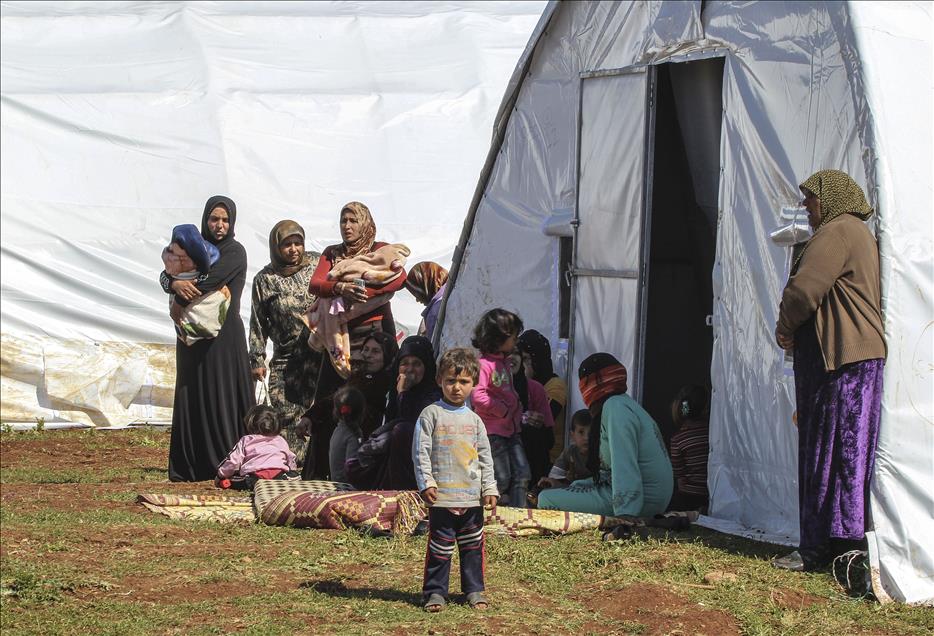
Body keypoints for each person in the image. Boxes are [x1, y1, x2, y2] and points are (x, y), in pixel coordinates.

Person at [773, 170, 886, 572]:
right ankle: (847, 542)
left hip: (839, 362)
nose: (806, 206)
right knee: (850, 455)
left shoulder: (837, 231)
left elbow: (805, 290)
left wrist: (784, 329)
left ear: (832, 198)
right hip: (857, 360)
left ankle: (818, 547)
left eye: (811, 198)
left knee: (826, 453)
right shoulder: (856, 233)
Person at [160, 195, 255, 482]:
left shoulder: (235, 252)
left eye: (225, 219)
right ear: (205, 220)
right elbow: (166, 272)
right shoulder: (193, 248)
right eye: (214, 219)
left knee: (221, 395)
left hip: (224, 338)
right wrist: (173, 282)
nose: (220, 225)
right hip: (191, 335)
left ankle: (226, 459)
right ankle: (193, 463)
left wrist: (177, 290)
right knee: (193, 392)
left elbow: (210, 280)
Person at [413, 347, 498, 612]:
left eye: (463, 382)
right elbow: (420, 452)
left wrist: (489, 488)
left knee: (473, 547)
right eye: (451, 380)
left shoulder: (475, 421)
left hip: (471, 498)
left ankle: (474, 590)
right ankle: (435, 593)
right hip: (442, 498)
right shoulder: (431, 415)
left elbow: (485, 456)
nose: (456, 388)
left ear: (473, 383)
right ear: (439, 380)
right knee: (440, 548)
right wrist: (426, 482)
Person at [538, 353, 673, 517]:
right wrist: (565, 486)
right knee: (551, 494)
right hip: (650, 499)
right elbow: (609, 475)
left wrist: (626, 515)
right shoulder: (623, 403)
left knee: (546, 499)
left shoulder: (615, 408)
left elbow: (625, 466)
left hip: (642, 502)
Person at [248, 220, 322, 467]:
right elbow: (258, 321)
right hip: (286, 358)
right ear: (276, 247)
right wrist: (257, 358)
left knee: (318, 410)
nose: (293, 249)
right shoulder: (265, 279)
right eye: (287, 244)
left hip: (319, 354)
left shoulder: (317, 263)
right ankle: (291, 467)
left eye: (297, 243)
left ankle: (317, 466)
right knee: (286, 412)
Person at [301, 331, 398, 480]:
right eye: (365, 349)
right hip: (348, 435)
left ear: (388, 356)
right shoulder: (357, 377)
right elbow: (335, 399)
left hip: (371, 440)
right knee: (322, 426)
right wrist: (309, 417)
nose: (368, 355)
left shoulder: (391, 383)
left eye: (376, 351)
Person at [470, 308, 530, 507]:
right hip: (493, 432)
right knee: (500, 477)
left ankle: (519, 513)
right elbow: (478, 396)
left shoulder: (504, 364)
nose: (516, 341)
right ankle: (478, 508)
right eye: (513, 337)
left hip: (511, 429)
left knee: (522, 473)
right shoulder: (484, 365)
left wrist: (516, 408)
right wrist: (502, 410)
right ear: (498, 338)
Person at [215, 405, 297, 490]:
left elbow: (233, 461)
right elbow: (291, 458)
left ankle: (228, 483)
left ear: (251, 424)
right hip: (279, 478)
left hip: (254, 478)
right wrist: (292, 471)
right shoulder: (281, 440)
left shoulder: (246, 440)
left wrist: (221, 475)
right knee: (294, 476)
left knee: (234, 480)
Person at [517, 330, 568, 462]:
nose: (522, 365)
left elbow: (542, 418)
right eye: (519, 358)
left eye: (526, 359)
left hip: (550, 459)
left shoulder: (556, 385)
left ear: (538, 359)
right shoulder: (519, 386)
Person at [507, 347, 555, 487]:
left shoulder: (535, 389)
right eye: (505, 353)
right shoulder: (486, 389)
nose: (512, 357)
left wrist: (539, 424)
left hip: (530, 462)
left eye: (516, 353)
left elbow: (549, 441)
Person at [667, 385, 710, 513]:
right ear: (706, 408)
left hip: (689, 498)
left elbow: (679, 476)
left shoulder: (678, 439)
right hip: (711, 494)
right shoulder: (713, 434)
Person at [540, 409, 592, 489]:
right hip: (573, 491)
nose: (586, 438)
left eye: (591, 433)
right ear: (572, 435)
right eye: (581, 432)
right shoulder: (569, 452)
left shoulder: (602, 453)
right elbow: (554, 476)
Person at [328, 385, 366, 484]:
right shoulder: (353, 434)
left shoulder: (337, 430)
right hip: (346, 486)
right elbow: (352, 468)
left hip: (336, 481)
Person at [403, 261, 448, 341]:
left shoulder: (435, 311)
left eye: (418, 294)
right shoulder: (452, 291)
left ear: (426, 286)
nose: (417, 300)